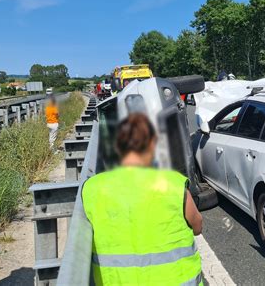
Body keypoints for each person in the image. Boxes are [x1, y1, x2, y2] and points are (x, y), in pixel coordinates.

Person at [82, 113, 203, 286]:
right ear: (153, 143)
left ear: (117, 146)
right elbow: (197, 226)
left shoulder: (92, 188)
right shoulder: (172, 184)